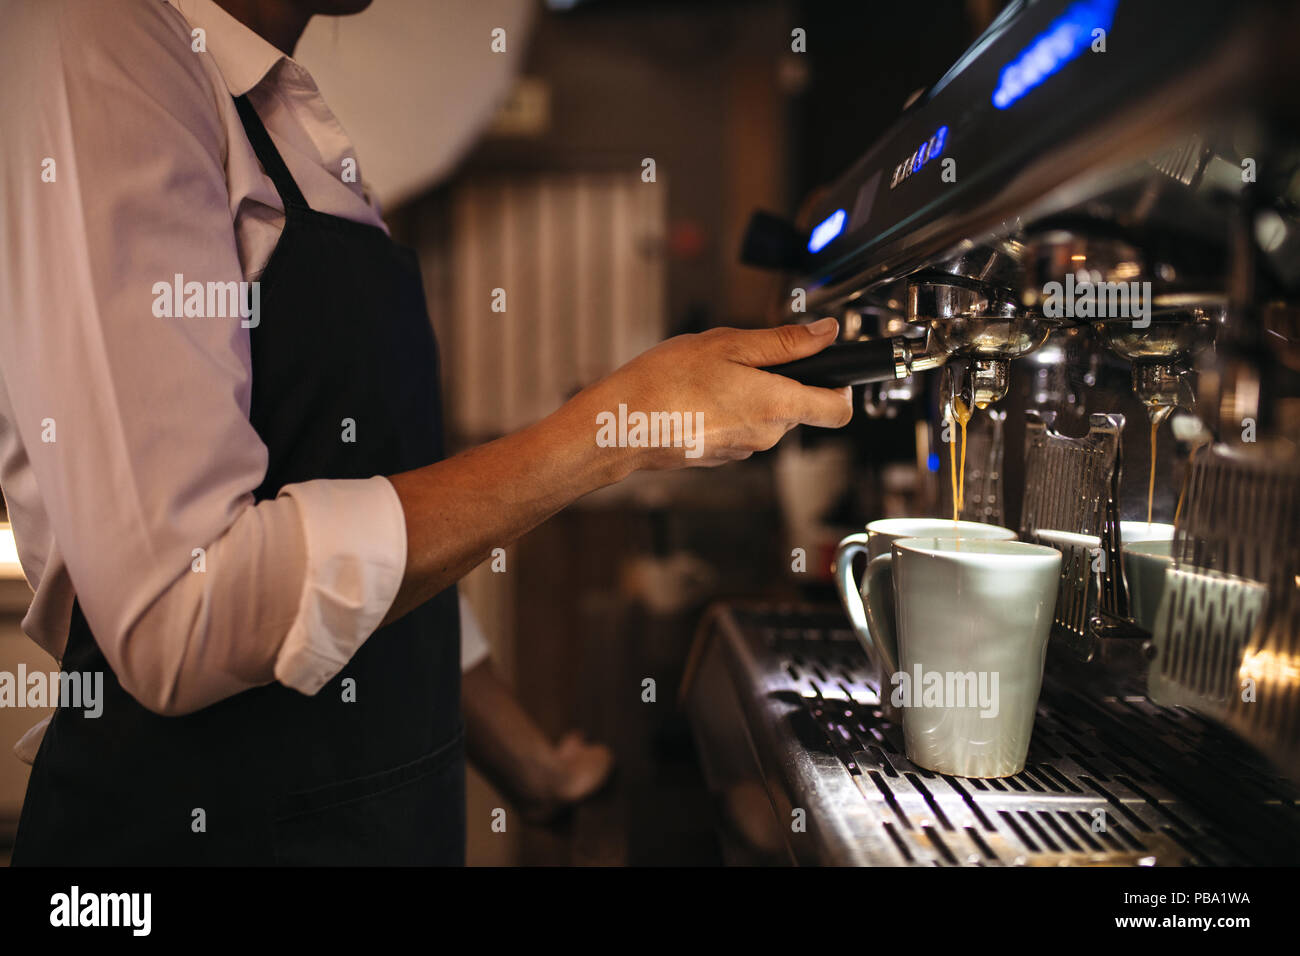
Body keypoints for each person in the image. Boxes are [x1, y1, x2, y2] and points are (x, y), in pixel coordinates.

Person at [0, 0, 851, 864]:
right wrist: (615, 428)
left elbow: (365, 505)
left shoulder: (279, 117)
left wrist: (528, 761)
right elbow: (183, 611)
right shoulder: (99, 36)